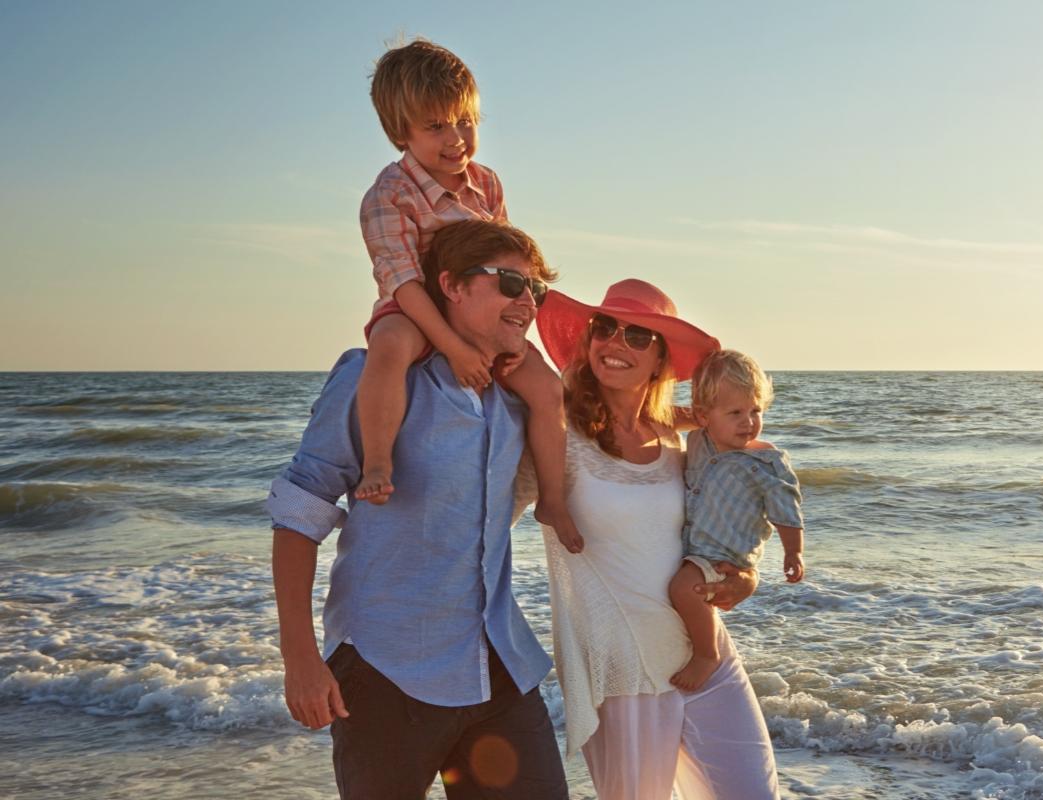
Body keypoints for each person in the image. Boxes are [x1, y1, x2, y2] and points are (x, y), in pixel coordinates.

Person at [268, 219, 566, 799]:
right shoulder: (375, 377)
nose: (526, 302)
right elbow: (298, 515)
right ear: (451, 286)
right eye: (509, 282)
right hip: (386, 671)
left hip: (498, 668)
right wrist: (300, 659)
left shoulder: (516, 399)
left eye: (535, 289)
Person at [529, 279, 780, 799]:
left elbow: (724, 520)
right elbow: (481, 513)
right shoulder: (555, 433)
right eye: (605, 328)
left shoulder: (678, 438)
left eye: (638, 335)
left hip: (704, 655)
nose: (616, 342)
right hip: (624, 669)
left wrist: (747, 573)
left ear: (663, 360)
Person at [355, 37, 581, 552]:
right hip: (419, 309)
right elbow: (404, 282)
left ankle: (552, 497)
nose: (456, 138)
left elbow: (507, 255)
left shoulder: (486, 185)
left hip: (479, 311)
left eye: (465, 121)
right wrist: (453, 348)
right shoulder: (388, 194)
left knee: (547, 390)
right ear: (400, 132)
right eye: (436, 126)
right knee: (389, 345)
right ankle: (378, 459)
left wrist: (510, 334)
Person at [669, 349, 805, 692]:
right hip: (695, 546)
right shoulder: (698, 439)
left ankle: (706, 654)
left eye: (755, 411)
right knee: (686, 590)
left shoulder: (764, 460)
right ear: (703, 416)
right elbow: (661, 415)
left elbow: (785, 508)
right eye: (735, 413)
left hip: (725, 553)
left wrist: (793, 552)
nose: (749, 422)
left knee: (683, 589)